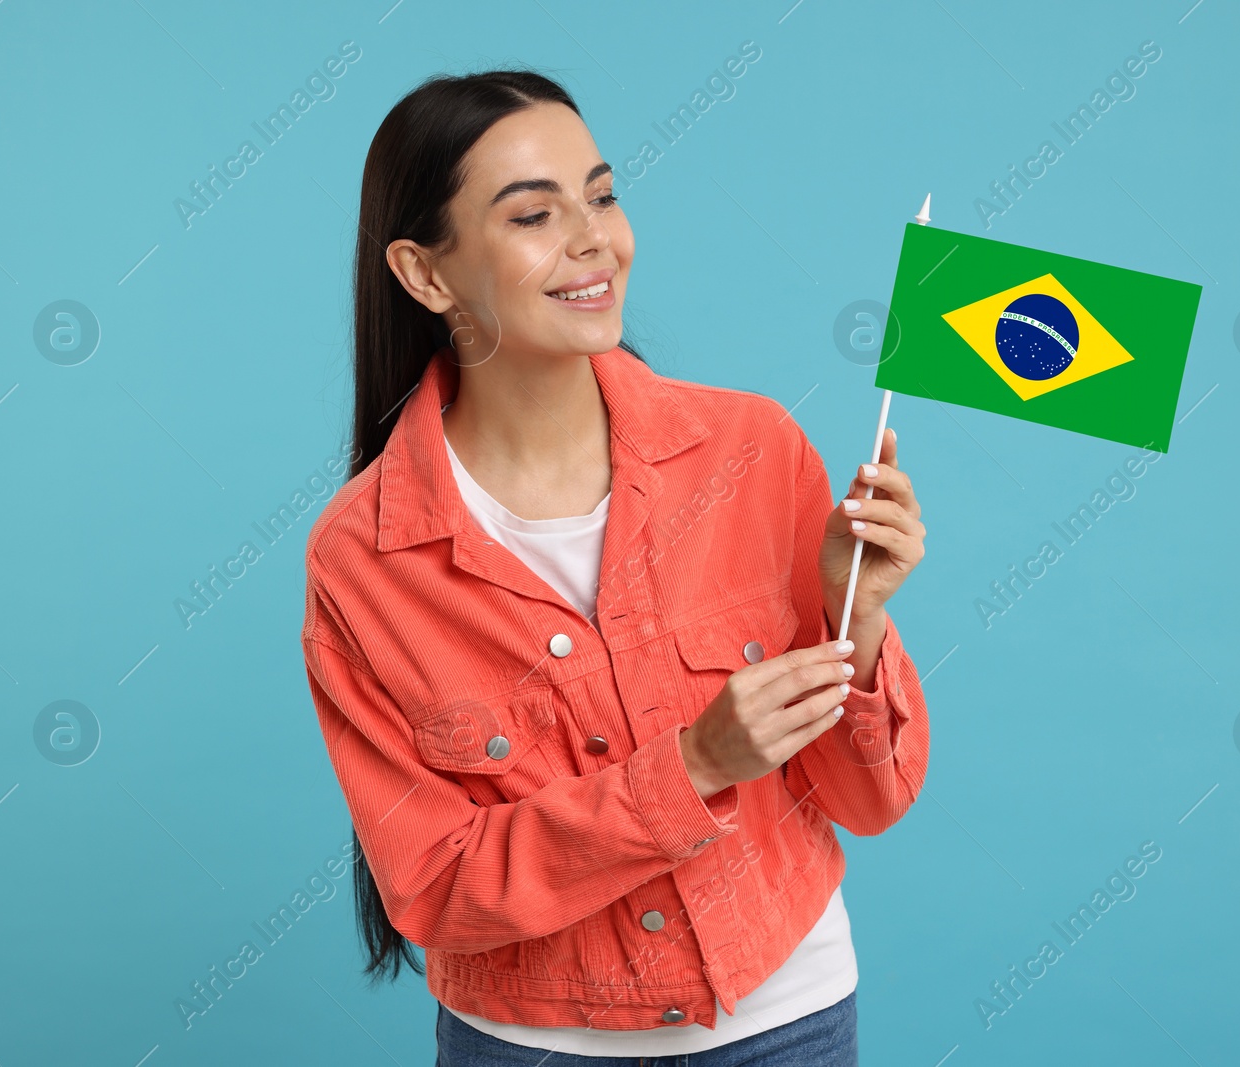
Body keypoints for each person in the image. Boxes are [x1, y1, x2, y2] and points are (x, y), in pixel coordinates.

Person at [300, 67, 930, 1066]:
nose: (593, 238)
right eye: (532, 214)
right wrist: (692, 768)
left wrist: (857, 620)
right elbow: (433, 884)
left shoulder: (752, 450)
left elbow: (872, 800)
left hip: (787, 1020)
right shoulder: (364, 556)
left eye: (600, 194)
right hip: (532, 1044)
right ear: (425, 274)